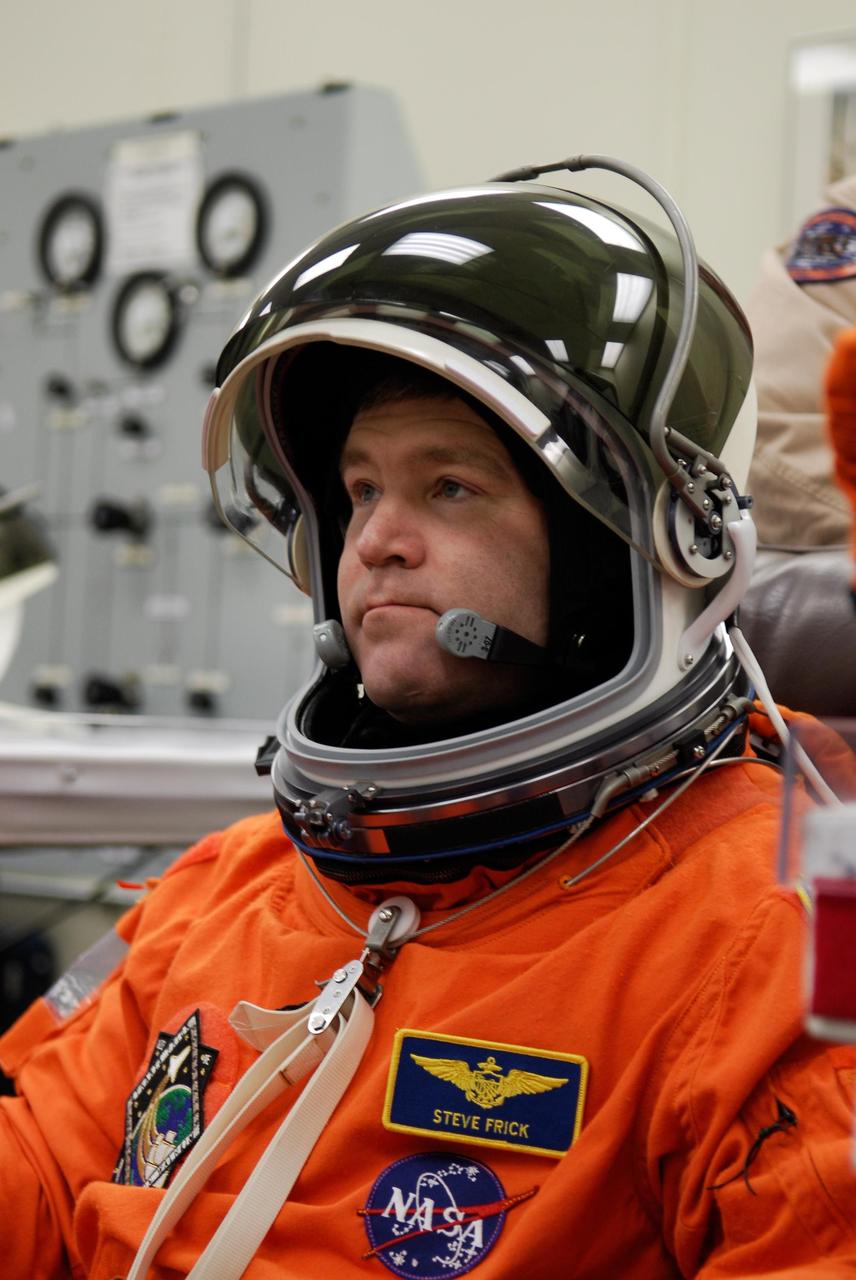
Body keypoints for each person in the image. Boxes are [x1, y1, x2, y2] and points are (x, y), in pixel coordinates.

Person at [2, 157, 856, 1279]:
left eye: (448, 486)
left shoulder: (762, 928)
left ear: (609, 555)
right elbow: (36, 1175)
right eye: (359, 490)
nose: (375, 540)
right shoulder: (232, 882)